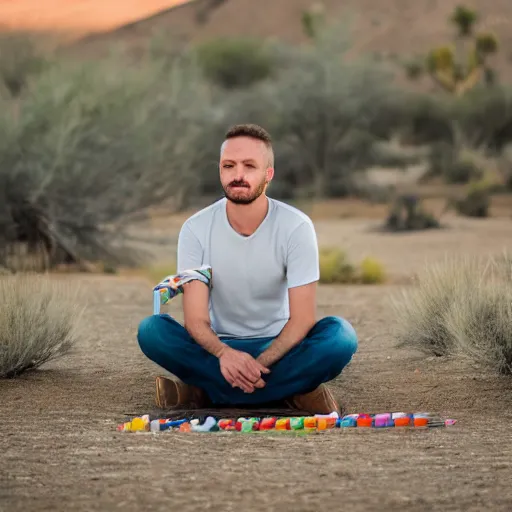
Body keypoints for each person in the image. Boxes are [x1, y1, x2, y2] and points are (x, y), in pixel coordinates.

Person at [137, 124, 358, 414]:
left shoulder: (296, 227)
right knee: (152, 331)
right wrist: (226, 355)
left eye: (249, 166)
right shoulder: (195, 229)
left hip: (281, 348)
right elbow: (195, 320)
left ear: (268, 174)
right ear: (220, 170)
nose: (238, 175)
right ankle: (293, 392)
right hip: (216, 349)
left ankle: (206, 391)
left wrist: (257, 366)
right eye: (229, 165)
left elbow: (302, 320)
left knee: (341, 337)